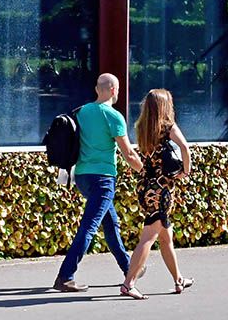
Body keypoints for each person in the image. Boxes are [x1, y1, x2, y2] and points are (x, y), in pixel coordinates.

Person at [52, 73, 140, 292]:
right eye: (118, 89)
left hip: (82, 176)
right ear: (113, 90)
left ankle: (130, 268)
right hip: (103, 178)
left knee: (111, 225)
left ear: (96, 89)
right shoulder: (113, 116)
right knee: (89, 228)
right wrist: (145, 171)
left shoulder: (81, 111)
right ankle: (65, 276)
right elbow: (128, 153)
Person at [120, 89, 194, 299]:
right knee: (149, 237)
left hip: (146, 186)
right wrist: (185, 172)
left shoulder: (142, 127)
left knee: (165, 237)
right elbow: (185, 148)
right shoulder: (168, 127)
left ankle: (178, 279)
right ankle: (129, 283)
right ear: (165, 106)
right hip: (162, 191)